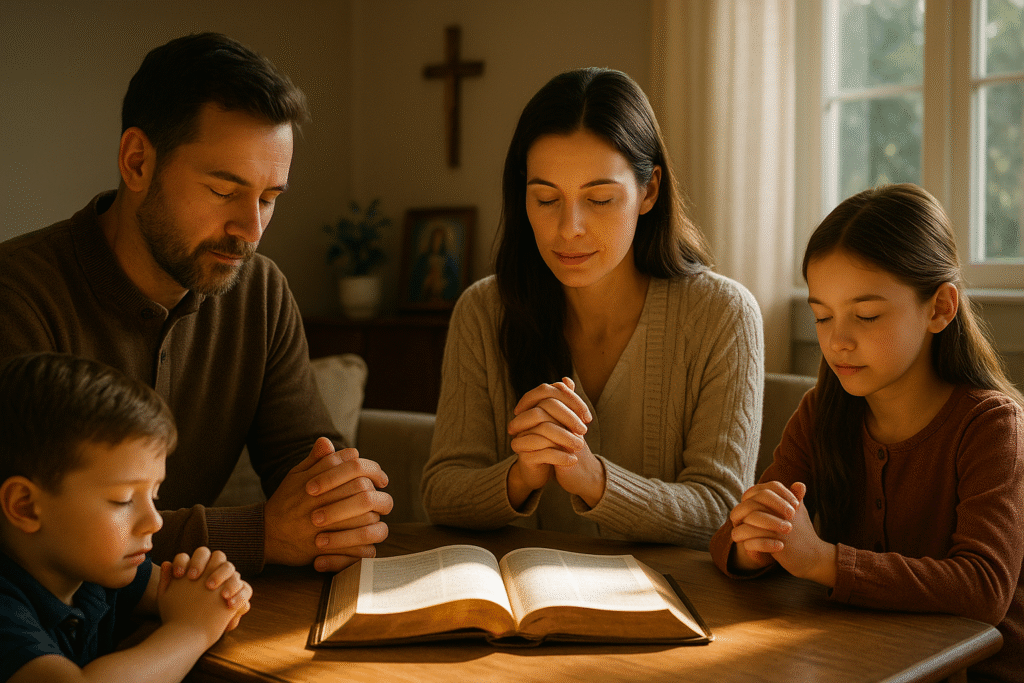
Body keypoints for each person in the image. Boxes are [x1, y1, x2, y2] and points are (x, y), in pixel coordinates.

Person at [0, 33, 392, 575]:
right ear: (137, 162)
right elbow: (27, 534)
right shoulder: (16, 294)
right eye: (223, 190)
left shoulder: (260, 291)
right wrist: (255, 534)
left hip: (205, 614)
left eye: (269, 198)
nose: (250, 230)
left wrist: (344, 502)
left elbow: (310, 465)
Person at [420, 68, 764, 547]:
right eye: (545, 199)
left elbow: (721, 510)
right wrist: (522, 475)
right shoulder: (483, 310)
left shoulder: (723, 315)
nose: (569, 228)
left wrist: (592, 478)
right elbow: (441, 493)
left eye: (599, 199)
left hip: (674, 608)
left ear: (649, 191)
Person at [710, 184, 1024, 681]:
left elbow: (983, 589)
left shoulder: (990, 425)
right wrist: (755, 543)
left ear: (940, 308)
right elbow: (728, 540)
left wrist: (822, 561)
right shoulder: (821, 412)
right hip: (862, 663)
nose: (837, 340)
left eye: (867, 315)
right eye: (822, 316)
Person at [0, 353, 252, 683]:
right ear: (25, 506)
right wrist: (191, 631)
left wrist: (217, 592)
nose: (155, 520)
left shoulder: (94, 569)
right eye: (123, 500)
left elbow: (188, 597)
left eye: (154, 494)